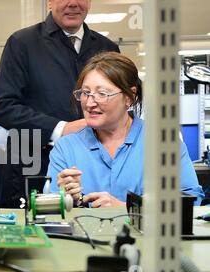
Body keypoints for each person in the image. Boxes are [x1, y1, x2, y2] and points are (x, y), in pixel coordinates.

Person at [0, 0, 120, 207]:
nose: (73, 4)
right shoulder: (22, 43)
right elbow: (3, 106)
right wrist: (62, 129)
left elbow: (120, 105)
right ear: (49, 2)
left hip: (95, 169)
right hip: (34, 168)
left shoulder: (107, 48)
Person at [47, 51, 204, 207]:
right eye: (85, 93)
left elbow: (191, 198)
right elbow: (49, 209)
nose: (89, 103)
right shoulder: (66, 149)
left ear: (129, 96)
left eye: (102, 94)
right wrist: (67, 200)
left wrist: (127, 208)